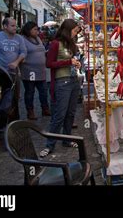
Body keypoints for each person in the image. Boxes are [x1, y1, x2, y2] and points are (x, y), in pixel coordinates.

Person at [40, 19, 81, 157]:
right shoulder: (55, 44)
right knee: (59, 115)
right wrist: (68, 62)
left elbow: (71, 60)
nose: (75, 34)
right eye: (75, 31)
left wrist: (75, 64)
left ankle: (67, 139)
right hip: (62, 82)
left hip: (74, 80)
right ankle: (49, 145)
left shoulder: (70, 44)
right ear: (67, 29)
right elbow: (49, 63)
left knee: (70, 113)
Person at [0, 18, 27, 121]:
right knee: (0, 98)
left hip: (14, 73)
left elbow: (23, 52)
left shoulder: (19, 38)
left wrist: (16, 62)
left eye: (15, 25)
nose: (15, 28)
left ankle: (14, 122)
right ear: (5, 26)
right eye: (12, 26)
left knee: (15, 98)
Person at [20, 21, 51, 120]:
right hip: (30, 71)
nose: (37, 31)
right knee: (30, 92)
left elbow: (40, 51)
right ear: (28, 30)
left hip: (41, 70)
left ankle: (45, 108)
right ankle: (30, 112)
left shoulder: (38, 39)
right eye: (35, 29)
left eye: (37, 29)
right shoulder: (22, 39)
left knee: (43, 91)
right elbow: (22, 53)